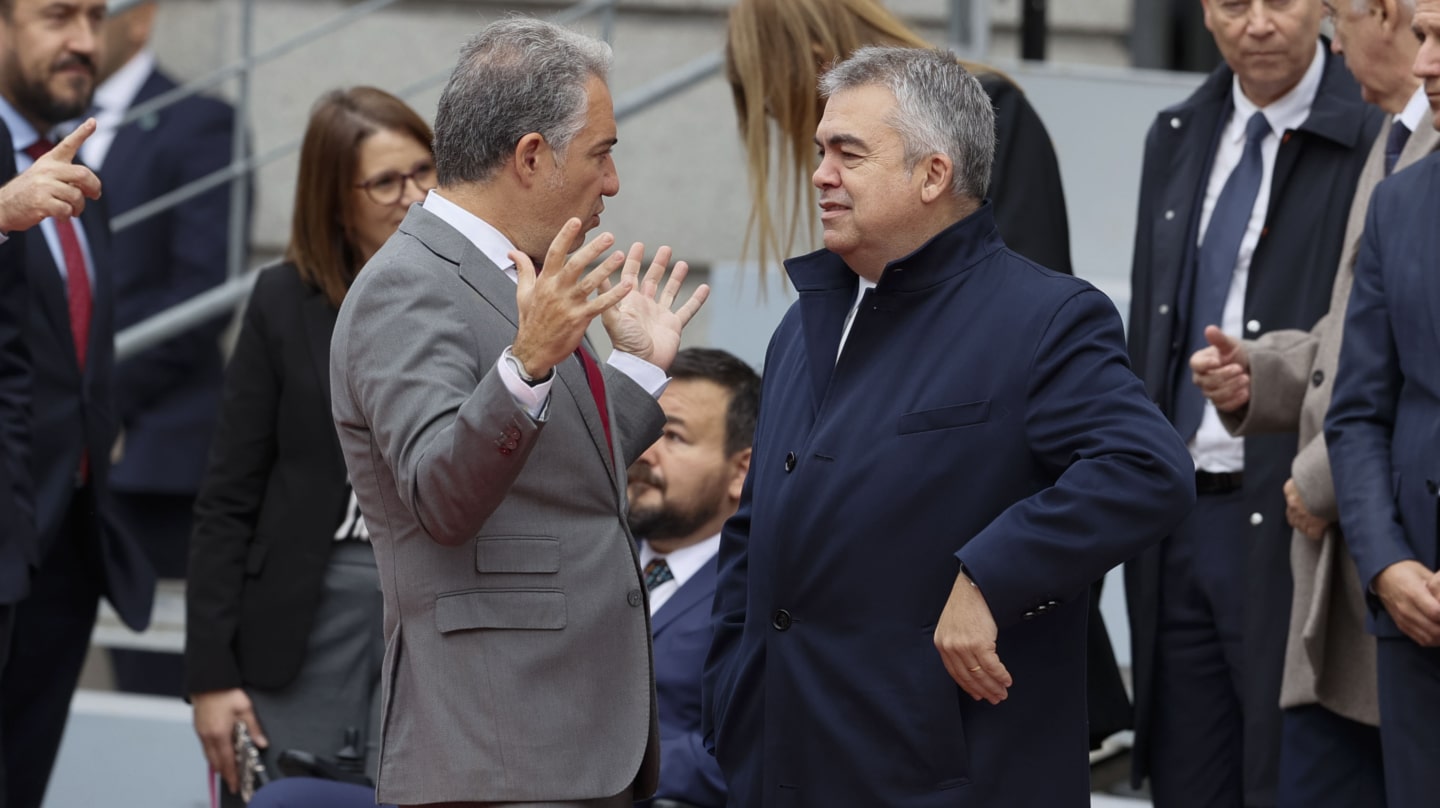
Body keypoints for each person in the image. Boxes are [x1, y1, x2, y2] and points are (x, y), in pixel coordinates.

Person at [702, 46, 1194, 807]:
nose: (820, 174)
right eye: (820, 151)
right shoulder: (803, 323)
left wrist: (990, 574)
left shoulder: (1044, 318)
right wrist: (731, 700)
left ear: (932, 175)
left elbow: (1145, 469)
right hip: (780, 765)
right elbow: (757, 530)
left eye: (848, 153)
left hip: (943, 774)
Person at [329, 17, 708, 808]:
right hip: (498, 747)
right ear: (532, 156)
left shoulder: (516, 273)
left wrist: (637, 369)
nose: (612, 183)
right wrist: (529, 359)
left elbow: (559, 478)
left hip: (564, 740)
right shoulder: (408, 284)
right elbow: (441, 495)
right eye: (602, 154)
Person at [1123, 1, 1381, 804]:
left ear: (1328, 9)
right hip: (1178, 513)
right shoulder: (1177, 133)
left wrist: (1322, 469)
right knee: (1186, 771)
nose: (1259, 23)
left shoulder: (1375, 136)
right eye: (1236, 3)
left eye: (1282, 1)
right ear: (1204, 12)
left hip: (1298, 507)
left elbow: (1368, 341)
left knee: (1289, 774)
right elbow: (1149, 325)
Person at [1187, 1, 1432, 804]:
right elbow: (1357, 342)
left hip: (1376, 551)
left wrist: (1321, 475)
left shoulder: (1405, 141)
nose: (1333, 43)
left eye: (1339, 20)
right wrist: (1267, 373)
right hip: (1373, 578)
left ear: (1383, 15)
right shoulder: (1399, 152)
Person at [184, 87, 430, 806]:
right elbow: (227, 498)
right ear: (335, 202)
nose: (414, 196)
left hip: (427, 627)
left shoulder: (484, 292)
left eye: (426, 170)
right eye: (386, 182)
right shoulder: (283, 301)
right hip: (299, 623)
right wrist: (209, 678)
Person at [0, 0, 158, 804]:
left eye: (97, 18)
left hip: (66, 542)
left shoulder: (76, 159)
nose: (85, 43)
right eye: (59, 16)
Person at [88, 0, 241, 699]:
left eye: (92, 11)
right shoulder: (24, 127)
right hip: (43, 455)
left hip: (147, 453)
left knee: (154, 677)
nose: (75, 34)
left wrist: (93, 393)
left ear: (139, 20)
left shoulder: (200, 121)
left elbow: (200, 291)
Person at [726, 0, 1073, 275]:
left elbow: (1033, 289)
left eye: (775, 106)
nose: (822, 174)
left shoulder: (991, 112)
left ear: (817, 62)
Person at [1327, 6, 1440, 807]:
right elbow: (1359, 411)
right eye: (1423, 36)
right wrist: (1387, 562)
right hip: (1417, 625)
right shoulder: (1399, 206)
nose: (1424, 65)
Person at [629, 347, 757, 808]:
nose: (643, 453)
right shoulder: (587, 558)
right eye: (642, 428)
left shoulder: (760, 598)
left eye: (674, 437)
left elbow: (756, 746)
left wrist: (596, 776)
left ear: (741, 470)